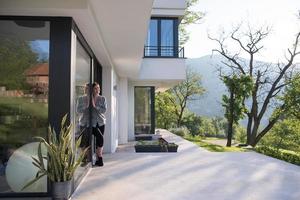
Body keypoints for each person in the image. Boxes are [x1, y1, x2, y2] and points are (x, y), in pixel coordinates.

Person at [76, 82, 107, 166]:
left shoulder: (102, 99)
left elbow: (104, 110)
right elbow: (78, 110)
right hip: (85, 123)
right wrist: (86, 106)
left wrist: (95, 106)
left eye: (98, 88)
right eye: (95, 88)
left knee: (100, 139)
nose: (97, 90)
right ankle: (85, 158)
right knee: (84, 141)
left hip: (100, 122)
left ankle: (99, 158)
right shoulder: (81, 99)